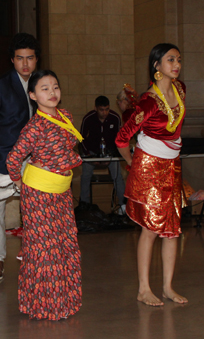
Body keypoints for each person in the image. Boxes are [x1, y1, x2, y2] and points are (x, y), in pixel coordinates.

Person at [6, 70, 83, 320]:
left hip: (61, 192)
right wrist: (20, 184)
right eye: (45, 88)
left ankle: (64, 301)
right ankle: (43, 305)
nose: (52, 92)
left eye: (55, 87)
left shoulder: (66, 116)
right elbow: (13, 159)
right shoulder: (34, 127)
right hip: (39, 194)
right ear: (32, 95)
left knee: (64, 245)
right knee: (45, 249)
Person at [116, 43, 188, 307]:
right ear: (157, 65)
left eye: (178, 59)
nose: (176, 64)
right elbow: (122, 138)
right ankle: (144, 289)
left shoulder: (180, 89)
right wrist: (134, 165)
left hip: (172, 165)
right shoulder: (147, 101)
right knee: (150, 228)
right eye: (170, 60)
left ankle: (168, 287)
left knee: (172, 230)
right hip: (149, 166)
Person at [0, 33, 39, 281]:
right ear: (12, 60)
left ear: (36, 60)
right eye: (20, 58)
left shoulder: (40, 84)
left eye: (30, 58)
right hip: (0, 157)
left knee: (34, 209)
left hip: (31, 160)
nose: (25, 64)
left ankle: (33, 254)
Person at [79, 96, 126, 213]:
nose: (104, 112)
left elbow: (119, 139)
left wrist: (112, 155)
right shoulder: (88, 118)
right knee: (85, 176)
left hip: (110, 153)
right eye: (101, 109)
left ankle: (123, 206)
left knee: (118, 177)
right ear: (96, 108)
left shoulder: (115, 118)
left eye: (107, 109)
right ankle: (84, 206)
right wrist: (89, 156)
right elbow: (81, 139)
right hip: (92, 153)